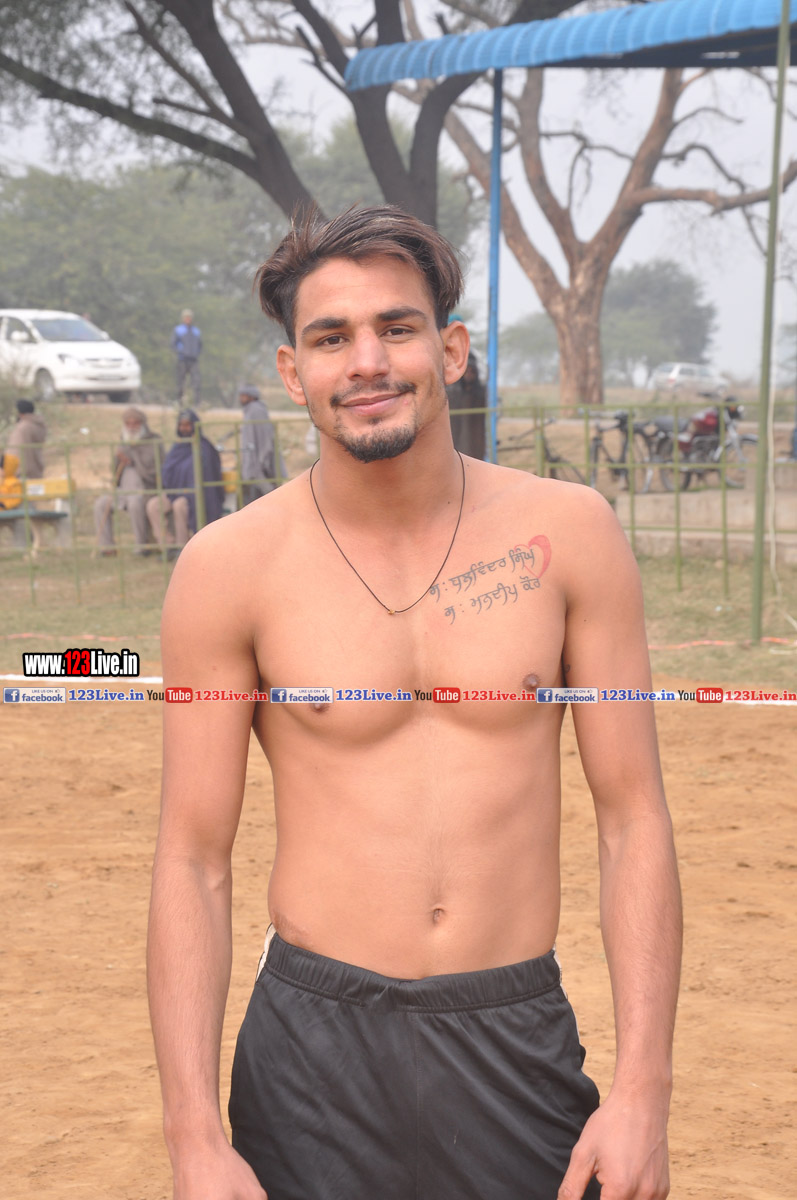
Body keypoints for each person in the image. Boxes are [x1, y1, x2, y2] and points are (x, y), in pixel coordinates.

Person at [148, 206, 681, 1200]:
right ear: (291, 371)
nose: (367, 362)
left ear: (450, 349)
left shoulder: (569, 534)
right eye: (330, 338)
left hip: (510, 1032)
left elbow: (632, 818)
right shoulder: (228, 568)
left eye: (395, 328)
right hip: (310, 1049)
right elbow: (192, 857)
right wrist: (193, 1138)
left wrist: (643, 1092)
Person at [146, 409, 223, 552]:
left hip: (195, 495)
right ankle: (167, 546)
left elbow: (208, 474)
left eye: (188, 425)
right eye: (181, 425)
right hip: (174, 492)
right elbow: (167, 471)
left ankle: (182, 548)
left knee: (179, 506)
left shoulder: (204, 447)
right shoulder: (177, 447)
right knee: (153, 505)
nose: (184, 428)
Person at [94, 406, 162, 556]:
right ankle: (107, 547)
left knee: (135, 504)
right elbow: (115, 472)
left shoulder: (153, 441)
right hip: (124, 490)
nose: (132, 427)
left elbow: (154, 470)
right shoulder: (123, 442)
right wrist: (119, 459)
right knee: (101, 504)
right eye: (128, 423)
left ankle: (141, 546)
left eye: (135, 423)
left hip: (145, 489)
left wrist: (132, 459)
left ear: (142, 424)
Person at [238, 384, 282, 504]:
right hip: (253, 461)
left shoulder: (256, 410)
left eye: (244, 395)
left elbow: (264, 438)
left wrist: (262, 460)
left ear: (251, 396)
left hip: (259, 462)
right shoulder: (249, 411)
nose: (241, 398)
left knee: (269, 495)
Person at [446, 348, 487, 460]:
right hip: (457, 437)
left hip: (475, 436)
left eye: (472, 372)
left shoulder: (481, 394)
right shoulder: (453, 393)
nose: (469, 375)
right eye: (466, 372)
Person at [6, 399, 47, 479]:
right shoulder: (39, 425)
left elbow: (14, 451)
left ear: (20, 412)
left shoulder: (23, 427)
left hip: (22, 471)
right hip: (36, 470)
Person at [171, 308, 202, 403]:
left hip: (193, 360)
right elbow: (173, 344)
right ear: (183, 318)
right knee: (181, 382)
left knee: (196, 382)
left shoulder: (196, 331)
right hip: (182, 360)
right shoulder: (178, 330)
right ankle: (179, 402)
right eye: (186, 317)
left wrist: (196, 353)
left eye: (189, 317)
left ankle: (197, 403)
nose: (188, 319)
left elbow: (200, 344)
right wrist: (181, 352)